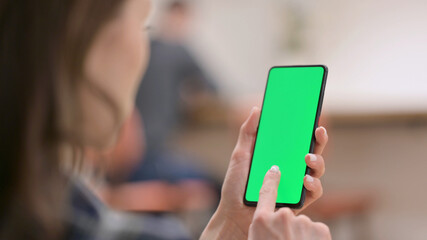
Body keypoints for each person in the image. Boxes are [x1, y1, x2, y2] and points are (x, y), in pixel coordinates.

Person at [0, 0, 330, 240]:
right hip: (154, 161)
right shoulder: (87, 220)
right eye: (142, 26)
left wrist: (230, 223)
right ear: (84, 34)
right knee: (210, 182)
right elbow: (220, 92)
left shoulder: (56, 201)